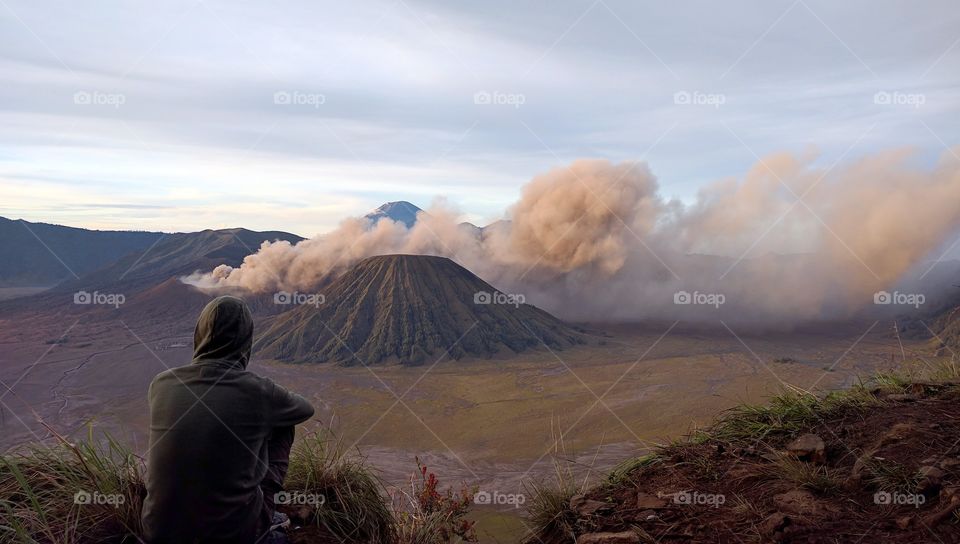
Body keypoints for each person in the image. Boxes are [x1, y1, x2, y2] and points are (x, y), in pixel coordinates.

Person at [142, 296, 315, 543]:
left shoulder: (161, 383)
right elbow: (304, 409)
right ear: (246, 341)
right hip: (234, 536)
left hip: (157, 532)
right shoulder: (259, 392)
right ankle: (263, 512)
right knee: (283, 423)